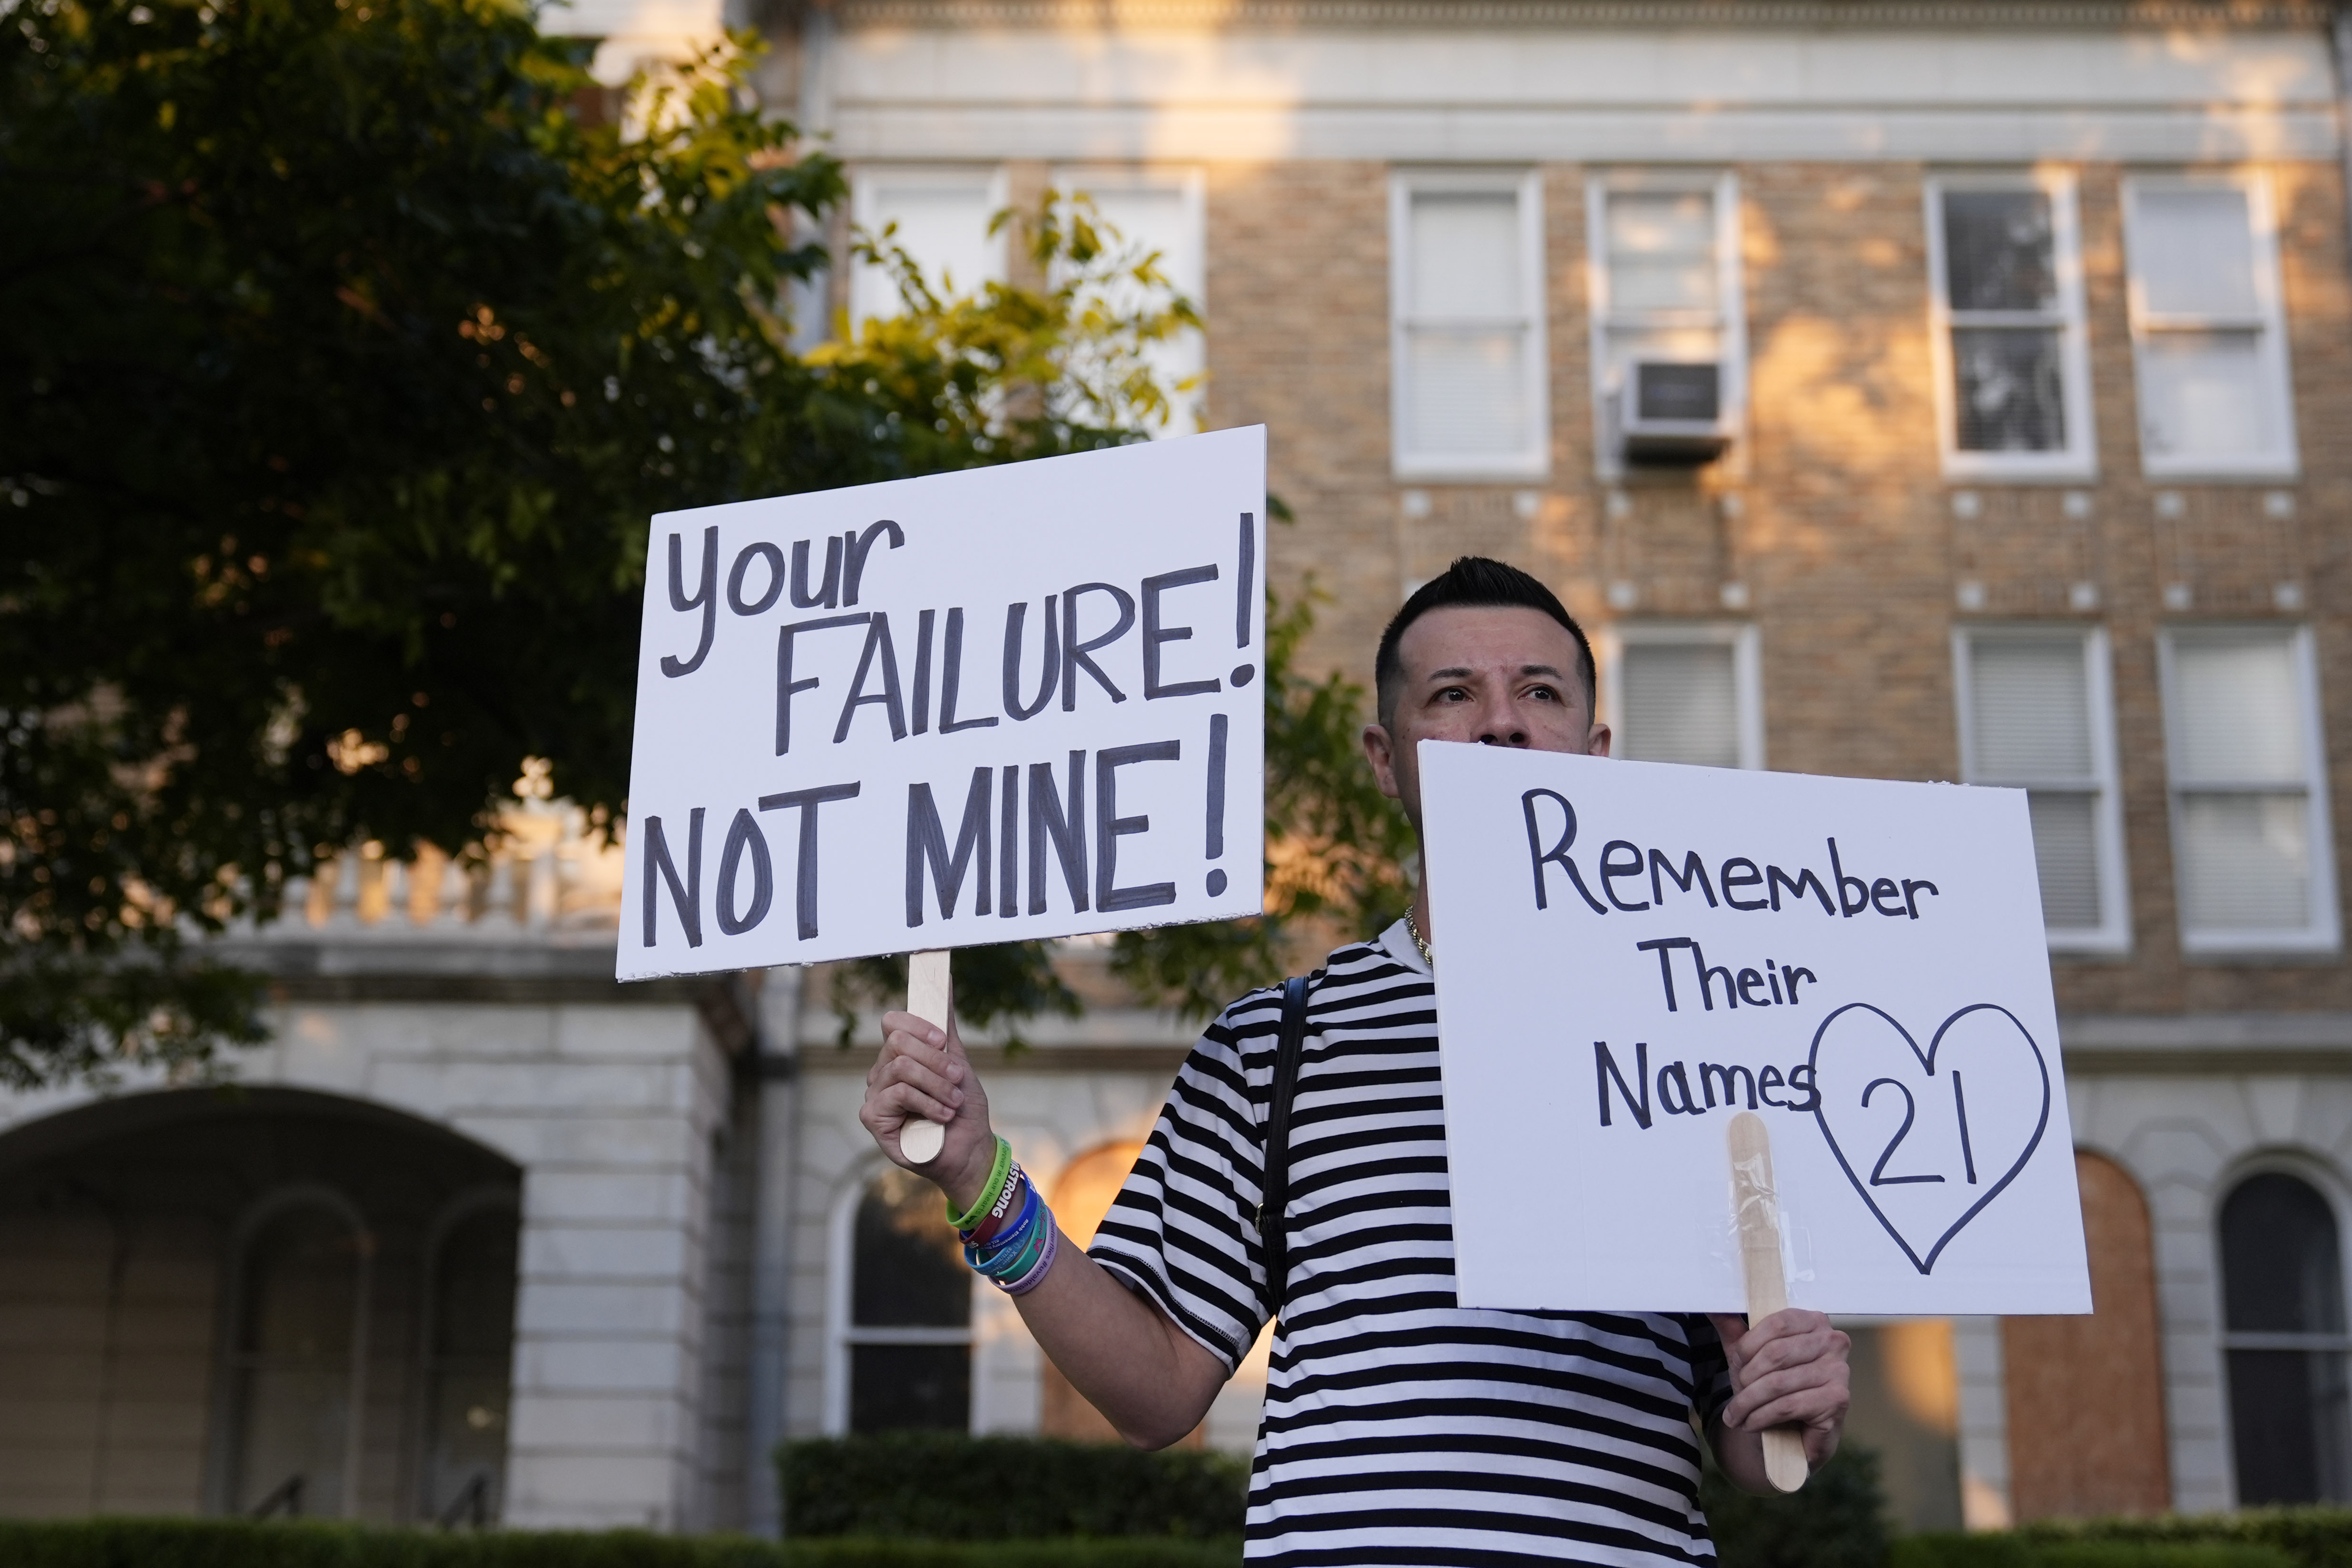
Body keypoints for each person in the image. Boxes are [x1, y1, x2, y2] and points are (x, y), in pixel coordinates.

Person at [859, 555, 1851, 1565]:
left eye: (1539, 693)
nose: (1502, 724)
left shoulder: (1703, 1043)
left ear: (1593, 750)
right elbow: (1152, 1394)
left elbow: (1752, 1436)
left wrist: (1793, 1387)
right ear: (1388, 755)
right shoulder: (1271, 1047)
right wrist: (977, 1177)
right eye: (1454, 694)